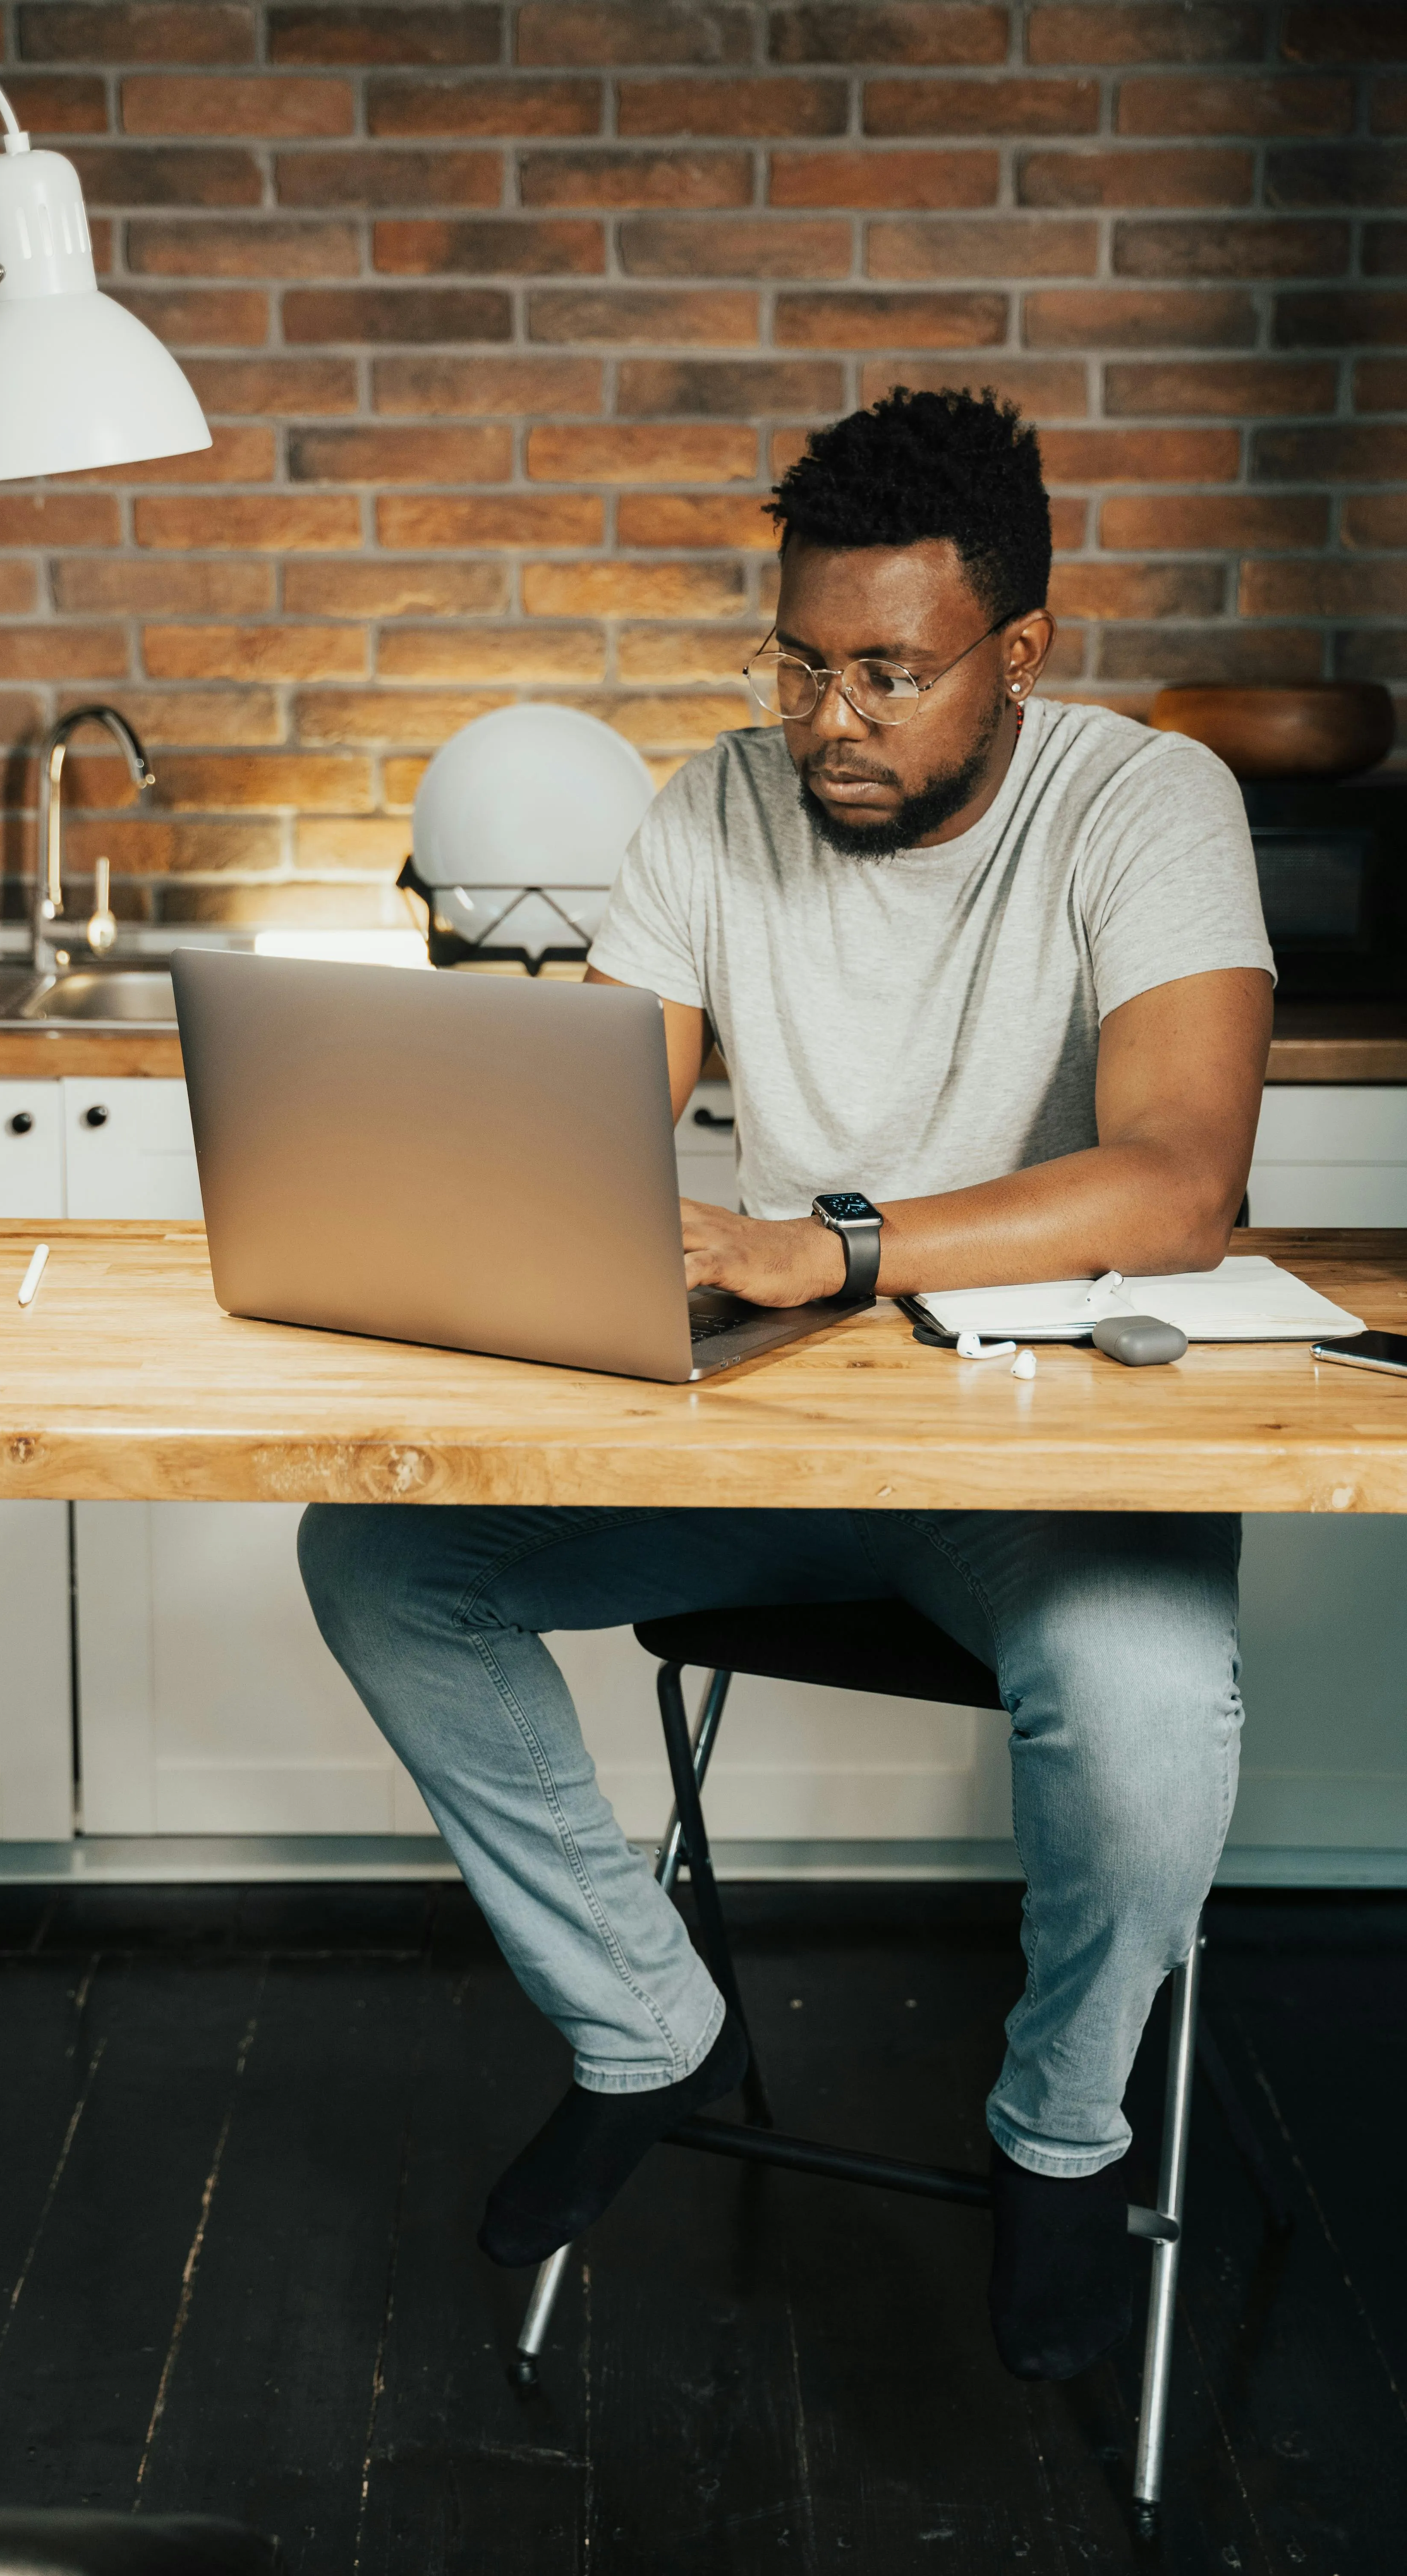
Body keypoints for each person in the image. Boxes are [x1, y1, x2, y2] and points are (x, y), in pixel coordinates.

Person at [298, 386, 1274, 2383]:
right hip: (767, 1440)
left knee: (1150, 1711)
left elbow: (1178, 1184)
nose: (832, 720)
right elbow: (582, 1142)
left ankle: (1062, 2132)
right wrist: (444, 1191)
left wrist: (819, 1241)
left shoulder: (1147, 802)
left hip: (1041, 1471)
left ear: (1018, 652)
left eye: (889, 675)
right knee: (380, 1556)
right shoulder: (711, 809)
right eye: (800, 664)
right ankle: (645, 2024)